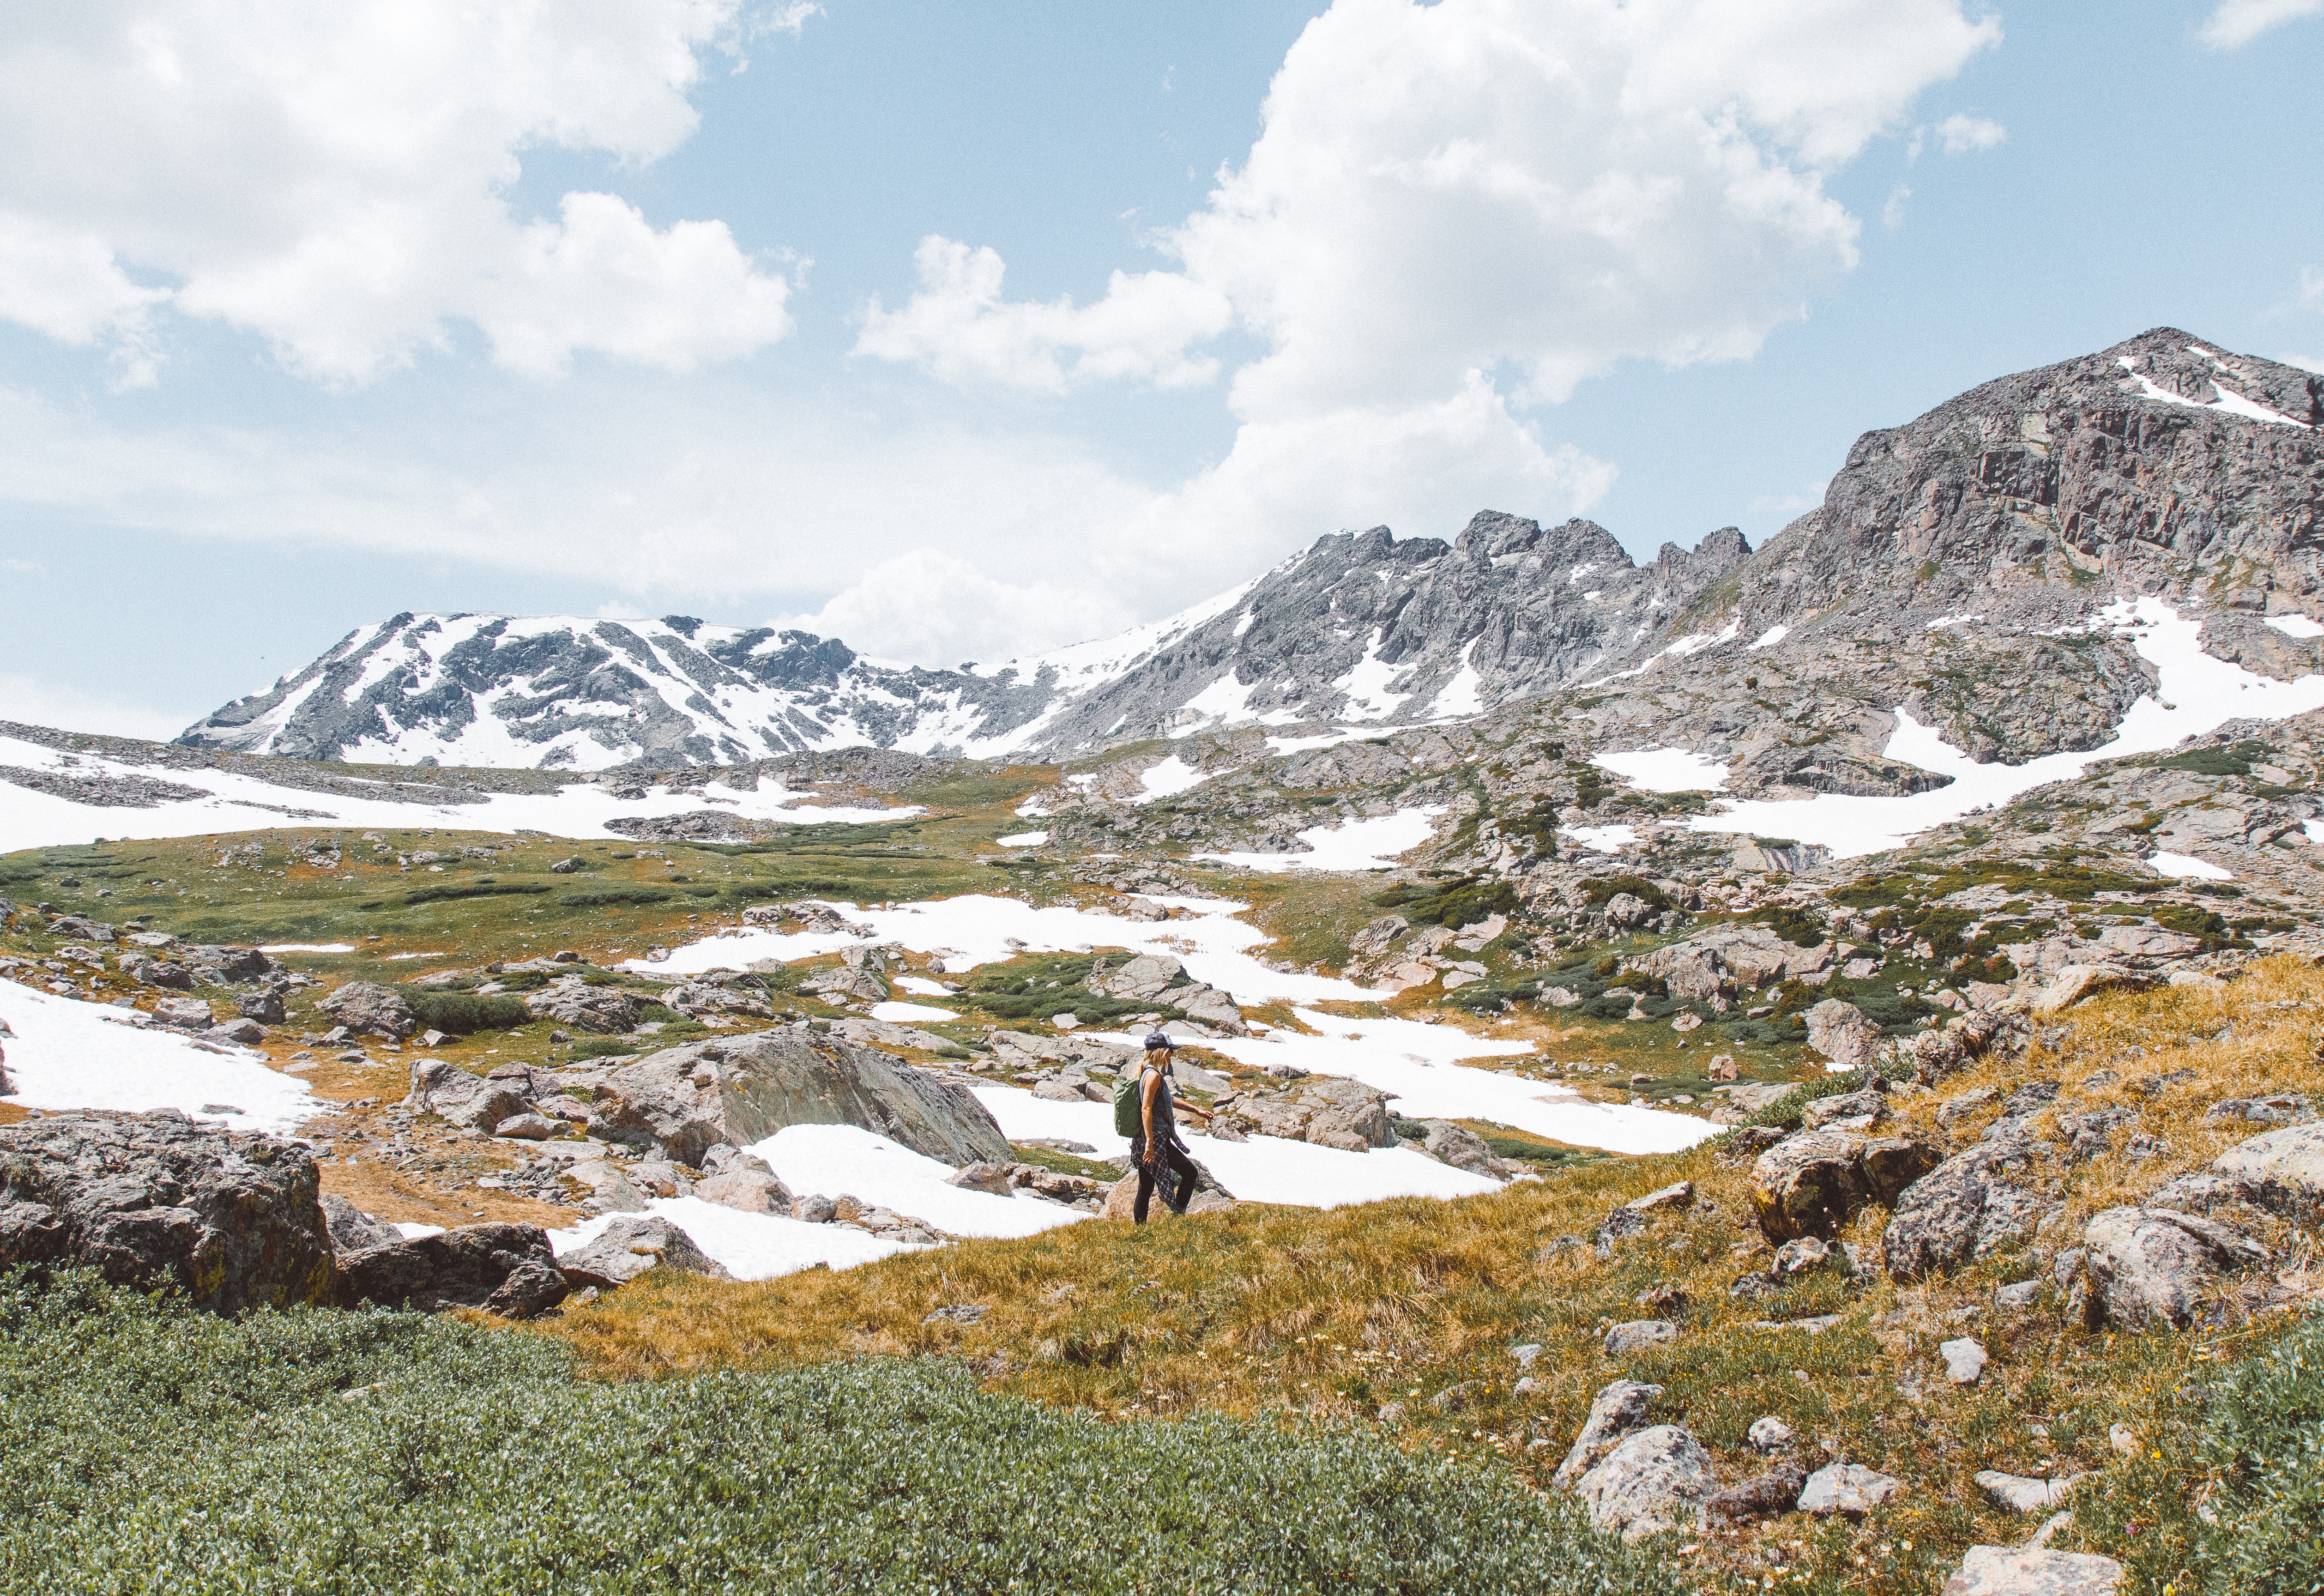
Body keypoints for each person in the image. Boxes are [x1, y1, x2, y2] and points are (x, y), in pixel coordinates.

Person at [1132, 1032, 1204, 1224]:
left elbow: (1167, 1100)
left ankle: (1139, 1230)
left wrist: (1196, 1110)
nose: (1172, 1055)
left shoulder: (1146, 1072)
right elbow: (1146, 1109)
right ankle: (1178, 1217)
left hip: (1144, 1138)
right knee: (1190, 1173)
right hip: (1155, 1139)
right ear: (1162, 1052)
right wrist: (1150, 1143)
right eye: (1170, 1051)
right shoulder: (1154, 1076)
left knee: (1146, 1187)